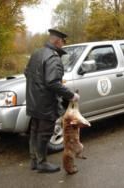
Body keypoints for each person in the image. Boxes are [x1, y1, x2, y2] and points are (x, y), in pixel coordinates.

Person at [24, 29, 80, 173]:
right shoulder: (54, 58)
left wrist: (37, 88)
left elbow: (27, 73)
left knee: (35, 131)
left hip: (33, 100)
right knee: (44, 133)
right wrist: (70, 95)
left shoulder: (36, 53)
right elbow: (53, 83)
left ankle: (34, 161)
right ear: (57, 41)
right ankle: (42, 163)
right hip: (45, 104)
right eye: (63, 42)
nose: (63, 45)